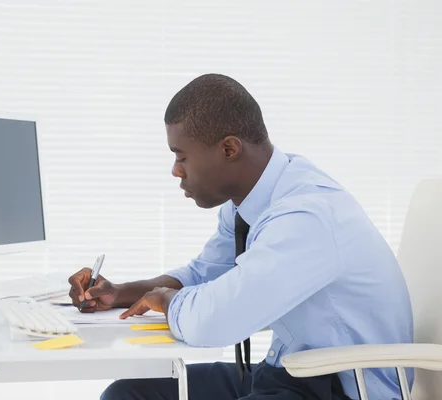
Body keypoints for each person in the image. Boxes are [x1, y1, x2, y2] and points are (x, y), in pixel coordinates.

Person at [67, 74, 414, 399]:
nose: (175, 170)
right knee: (128, 394)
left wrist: (167, 300)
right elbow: (205, 274)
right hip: (290, 373)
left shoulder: (306, 217)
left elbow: (214, 321)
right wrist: (120, 294)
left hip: (339, 387)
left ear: (229, 149)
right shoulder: (253, 200)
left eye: (181, 156)